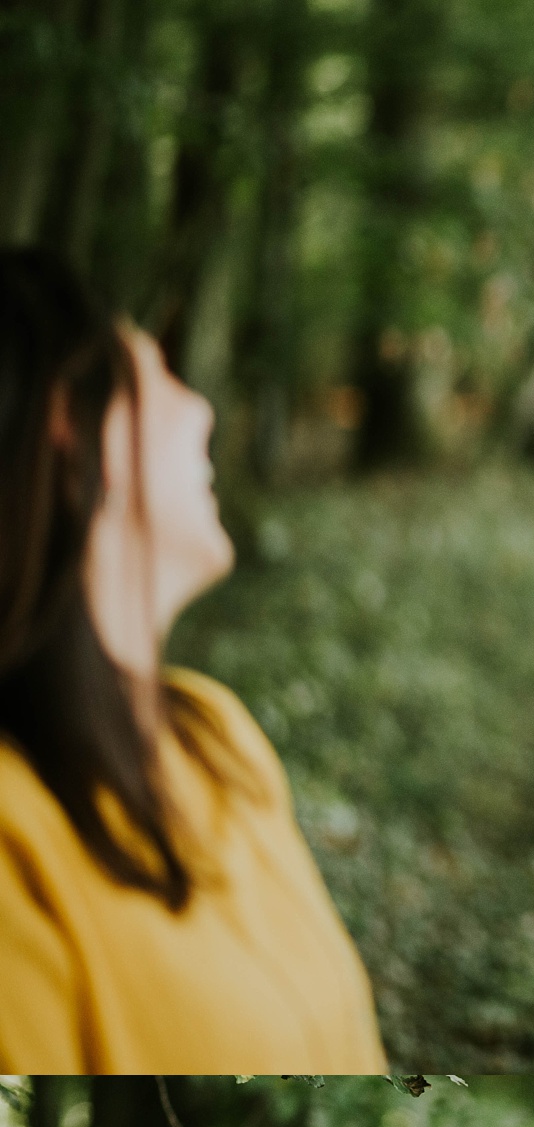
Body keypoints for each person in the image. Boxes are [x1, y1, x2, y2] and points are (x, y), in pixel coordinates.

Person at [0, 252, 384, 1076]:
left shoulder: (215, 735)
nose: (203, 410)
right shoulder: (12, 845)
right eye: (158, 373)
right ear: (73, 424)